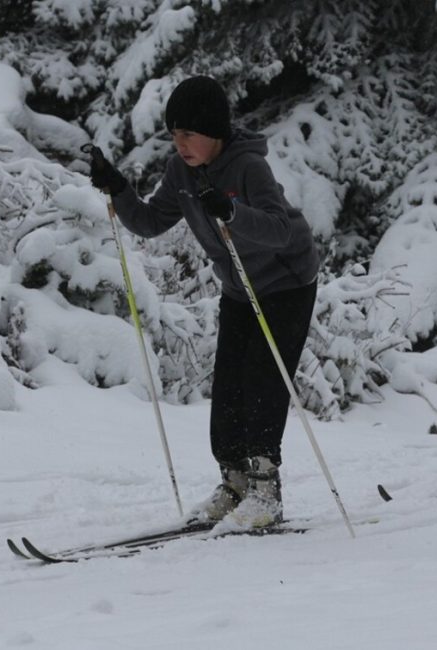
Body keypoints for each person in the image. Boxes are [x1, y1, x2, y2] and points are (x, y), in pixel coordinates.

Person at [88, 76, 320, 528]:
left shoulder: (249, 168)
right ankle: (234, 485)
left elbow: (281, 230)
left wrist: (232, 210)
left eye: (188, 134)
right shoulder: (181, 172)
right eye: (174, 135)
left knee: (263, 384)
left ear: (213, 131)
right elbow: (152, 221)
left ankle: (266, 492)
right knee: (229, 386)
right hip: (239, 286)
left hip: (287, 282)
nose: (180, 145)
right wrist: (117, 186)